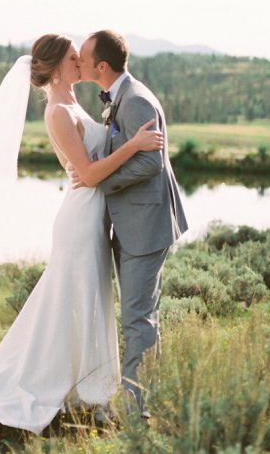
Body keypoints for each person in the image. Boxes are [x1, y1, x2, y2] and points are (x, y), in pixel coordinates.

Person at [0, 34, 164, 433]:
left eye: (80, 56)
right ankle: (56, 383)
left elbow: (93, 165)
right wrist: (136, 144)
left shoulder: (74, 103)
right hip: (80, 219)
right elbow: (89, 175)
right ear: (56, 67)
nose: (81, 63)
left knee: (87, 299)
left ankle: (85, 384)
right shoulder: (57, 111)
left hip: (94, 216)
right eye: (74, 58)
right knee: (70, 300)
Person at [77, 30, 188, 419]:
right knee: (141, 318)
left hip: (145, 225)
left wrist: (101, 182)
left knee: (137, 319)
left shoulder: (136, 100)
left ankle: (135, 408)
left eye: (84, 57)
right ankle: (145, 400)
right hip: (134, 222)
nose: (79, 61)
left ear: (101, 67)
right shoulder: (122, 96)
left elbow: (151, 162)